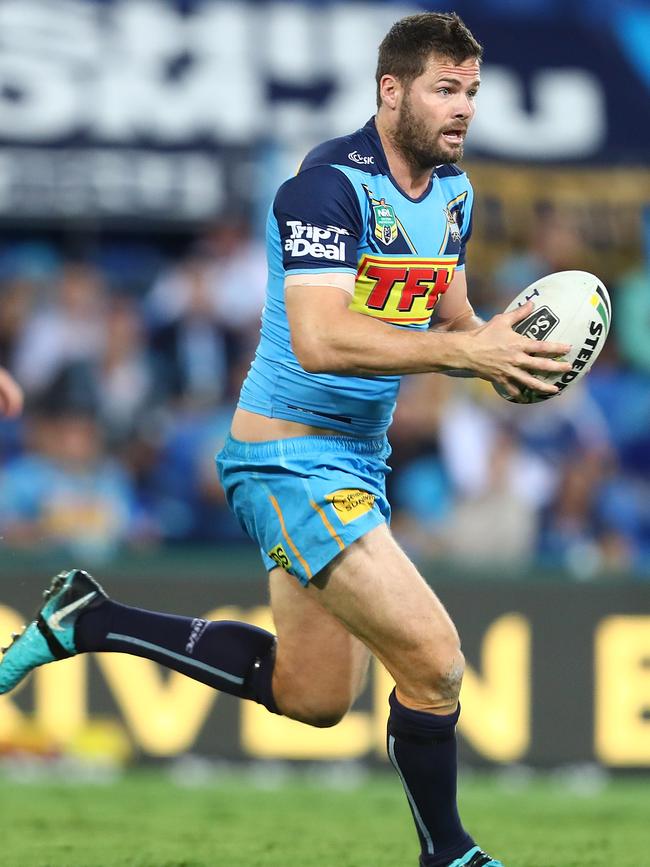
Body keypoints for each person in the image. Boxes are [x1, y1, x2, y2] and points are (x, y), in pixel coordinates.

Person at [0, 13, 572, 867]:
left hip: (356, 462)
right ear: (392, 90)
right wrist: (463, 349)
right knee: (438, 661)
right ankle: (449, 854)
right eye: (445, 89)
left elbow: (452, 319)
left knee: (313, 697)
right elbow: (321, 338)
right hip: (286, 457)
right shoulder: (326, 186)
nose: (463, 109)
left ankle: (90, 619)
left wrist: (505, 356)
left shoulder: (454, 195)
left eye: (472, 93)